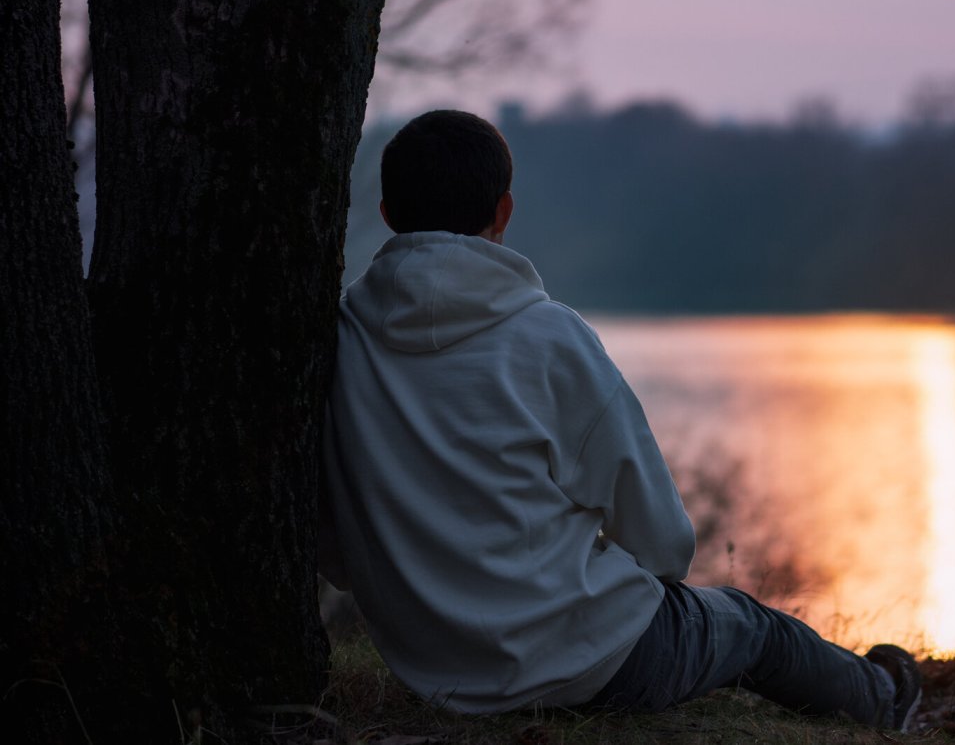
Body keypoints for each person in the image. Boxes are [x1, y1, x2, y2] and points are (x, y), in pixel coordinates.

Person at [318, 109, 923, 730]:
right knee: (755, 629)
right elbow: (663, 541)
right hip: (595, 661)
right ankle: (887, 698)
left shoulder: (337, 342)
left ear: (389, 214)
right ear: (503, 212)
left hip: (435, 671)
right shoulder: (547, 336)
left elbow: (337, 554)